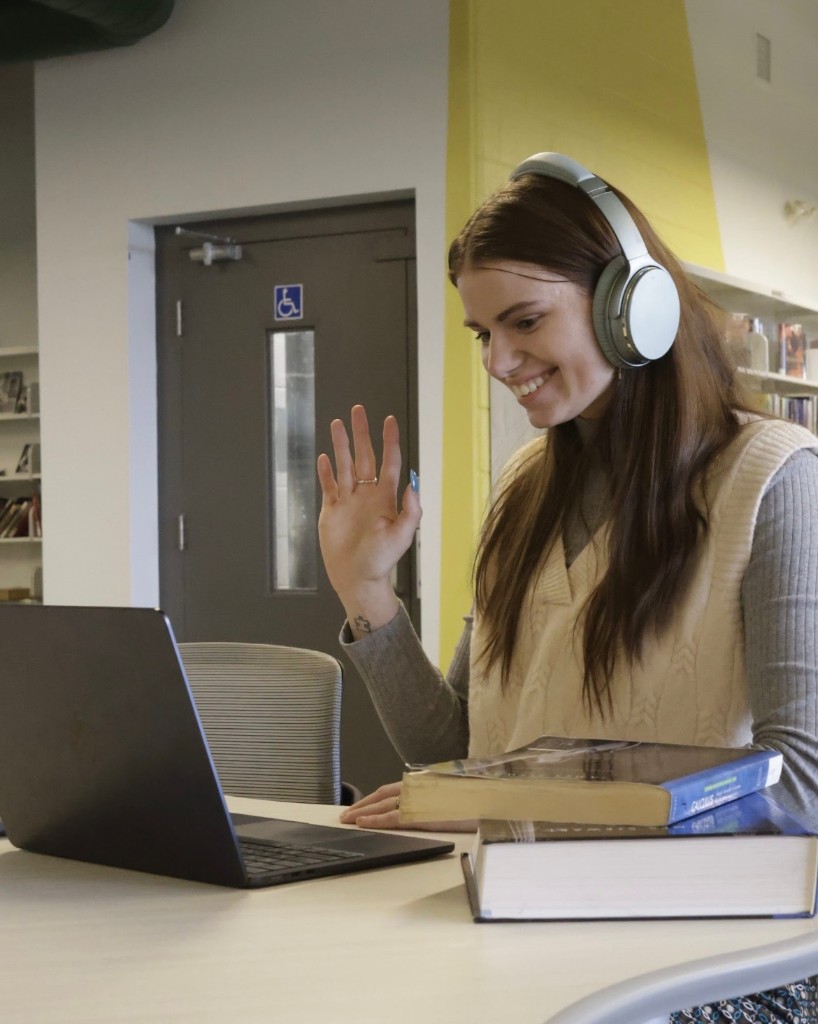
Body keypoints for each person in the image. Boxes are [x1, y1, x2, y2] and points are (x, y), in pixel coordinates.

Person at [316, 153, 818, 1022]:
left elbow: (804, 787)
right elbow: (458, 745)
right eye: (482, 334)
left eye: (525, 321)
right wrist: (368, 592)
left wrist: (515, 806)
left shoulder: (774, 483)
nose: (500, 361)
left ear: (634, 306)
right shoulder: (523, 491)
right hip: (528, 924)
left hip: (712, 959)